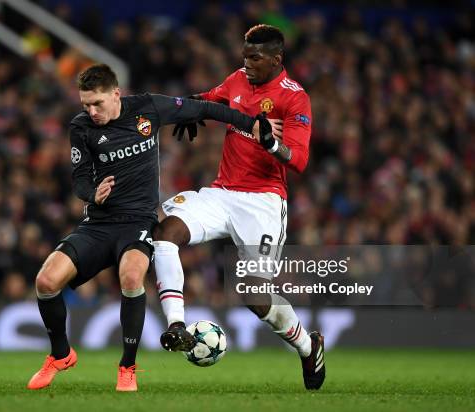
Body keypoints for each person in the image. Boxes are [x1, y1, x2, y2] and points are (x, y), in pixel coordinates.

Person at [27, 63, 271, 392]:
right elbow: (80, 179)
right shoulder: (81, 127)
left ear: (116, 94)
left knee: (131, 276)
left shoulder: (147, 107)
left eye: (97, 103)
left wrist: (251, 123)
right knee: (45, 281)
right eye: (85, 104)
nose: (91, 111)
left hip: (138, 221)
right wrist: (91, 194)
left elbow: (206, 109)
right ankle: (60, 354)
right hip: (99, 222)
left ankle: (127, 367)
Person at [152, 24, 326, 390]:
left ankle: (308, 347)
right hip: (222, 192)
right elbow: (210, 100)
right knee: (165, 231)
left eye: (255, 58)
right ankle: (176, 325)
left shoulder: (294, 98)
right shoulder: (237, 80)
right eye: (244, 56)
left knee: (252, 292)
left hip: (263, 202)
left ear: (276, 60)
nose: (246, 64)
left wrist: (271, 145)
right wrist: (187, 109)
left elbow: (299, 160)